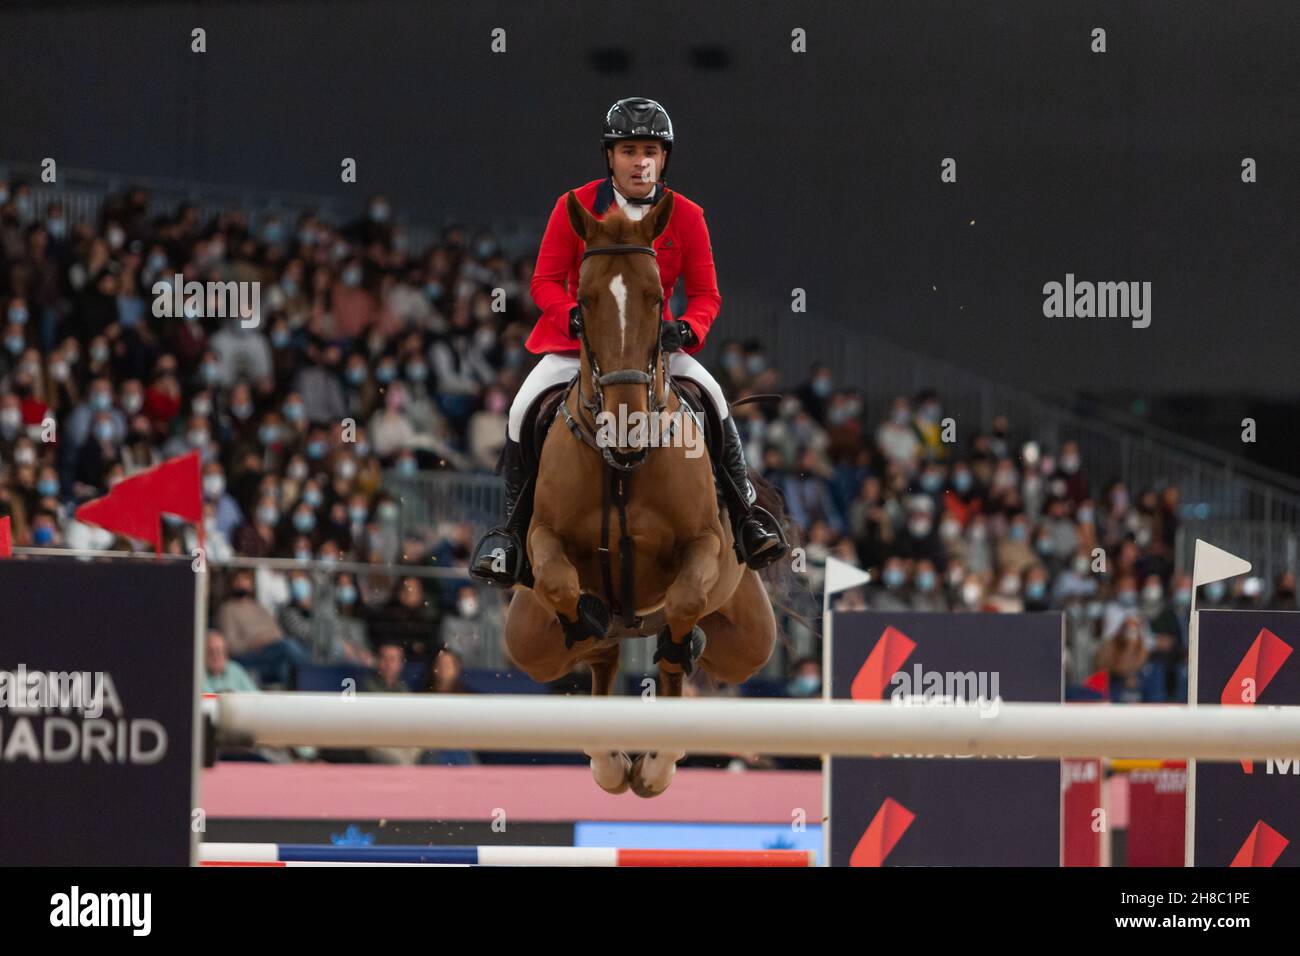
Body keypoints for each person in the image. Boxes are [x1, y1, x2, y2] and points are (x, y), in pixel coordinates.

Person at [470, 96, 788, 589]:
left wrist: (686, 329)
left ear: (663, 159)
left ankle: (747, 515)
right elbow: (544, 281)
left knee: (716, 401)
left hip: (655, 344)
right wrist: (572, 316)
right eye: (628, 149)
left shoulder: (686, 214)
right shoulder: (573, 207)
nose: (640, 160)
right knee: (520, 410)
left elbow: (707, 294)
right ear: (610, 156)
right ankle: (510, 534)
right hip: (580, 341)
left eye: (650, 150)